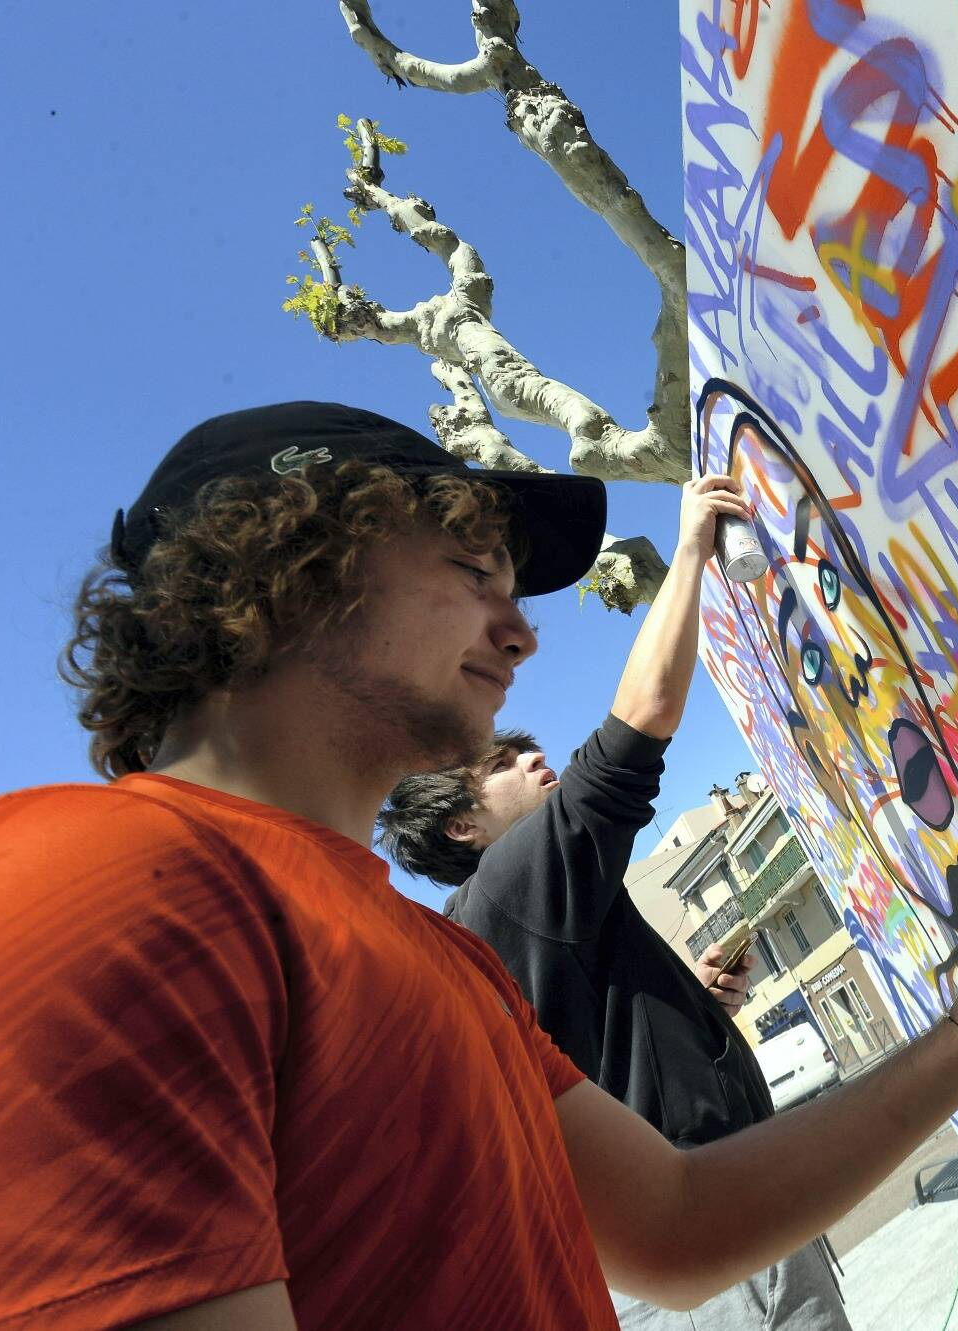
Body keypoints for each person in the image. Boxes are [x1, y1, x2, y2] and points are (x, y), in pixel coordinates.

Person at [0, 401, 958, 1331]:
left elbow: (680, 1224)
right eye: (471, 571)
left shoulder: (446, 958)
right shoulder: (91, 879)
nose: (522, 632)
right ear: (289, 568)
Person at [377, 474, 850, 1331]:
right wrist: (692, 547)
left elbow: (592, 1072)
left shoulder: (497, 926)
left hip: (690, 1238)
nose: (533, 760)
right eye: (500, 765)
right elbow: (640, 722)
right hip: (711, 1236)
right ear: (459, 827)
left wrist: (693, 1012)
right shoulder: (513, 878)